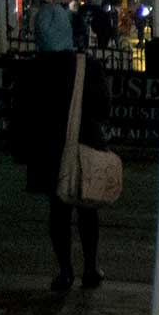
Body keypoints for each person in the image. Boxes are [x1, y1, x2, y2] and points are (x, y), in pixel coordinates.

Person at [10, 16, 110, 291]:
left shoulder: (31, 70)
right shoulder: (86, 66)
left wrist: (21, 151)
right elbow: (103, 108)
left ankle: (65, 269)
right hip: (84, 145)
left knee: (58, 212)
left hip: (47, 151)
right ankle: (91, 267)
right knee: (87, 209)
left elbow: (20, 114)